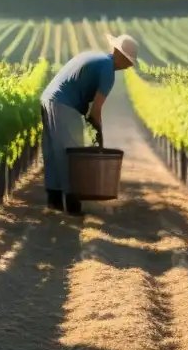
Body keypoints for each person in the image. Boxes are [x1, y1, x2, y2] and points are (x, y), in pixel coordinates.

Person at [40, 34, 138, 215]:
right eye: (129, 61)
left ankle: (54, 203)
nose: (129, 66)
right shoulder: (108, 71)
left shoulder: (96, 57)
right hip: (64, 103)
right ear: (121, 56)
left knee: (54, 153)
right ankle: (73, 207)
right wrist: (99, 135)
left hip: (47, 98)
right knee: (71, 154)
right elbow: (96, 111)